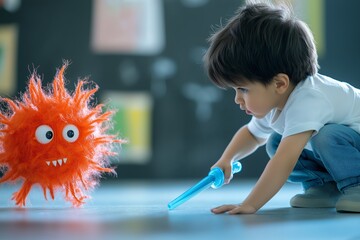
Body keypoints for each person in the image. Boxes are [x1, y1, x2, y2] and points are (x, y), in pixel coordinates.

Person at [203, 0, 360, 214]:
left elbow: (284, 161)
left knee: (326, 137)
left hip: (350, 143)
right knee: (275, 140)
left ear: (279, 83)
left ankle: (356, 186)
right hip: (347, 147)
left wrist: (250, 204)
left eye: (243, 89)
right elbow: (252, 134)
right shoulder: (276, 102)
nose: (237, 99)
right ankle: (325, 187)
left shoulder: (309, 99)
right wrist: (227, 159)